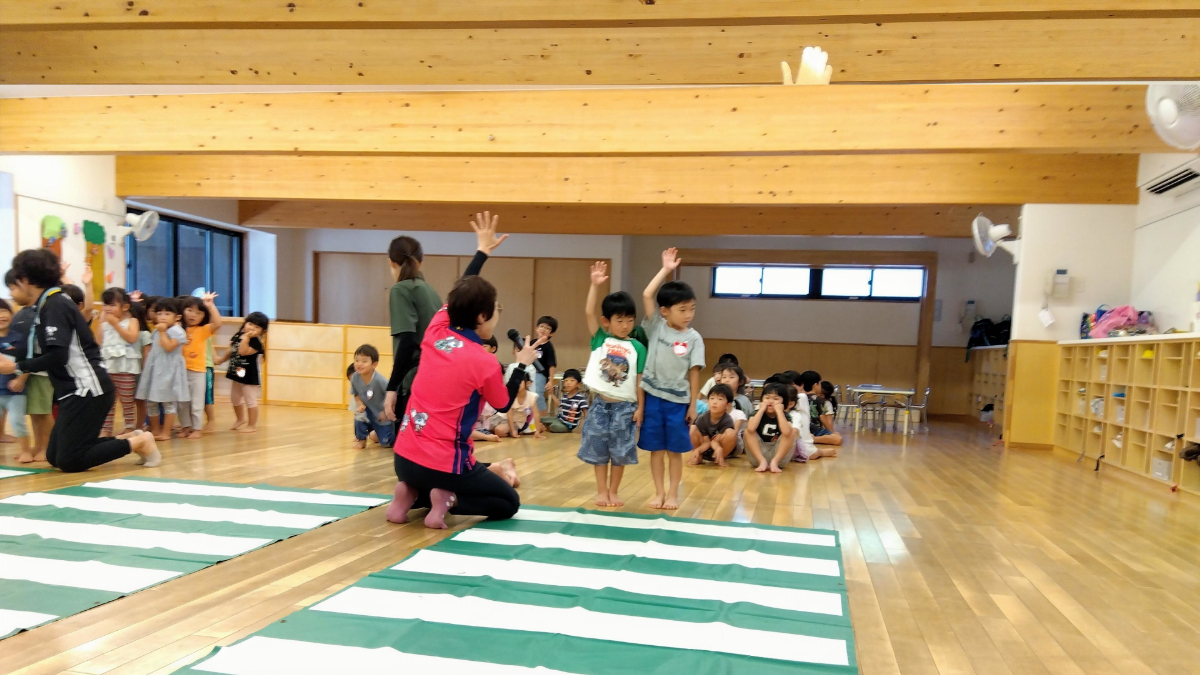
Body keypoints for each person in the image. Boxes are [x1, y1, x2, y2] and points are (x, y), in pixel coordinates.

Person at [386, 273, 546, 529]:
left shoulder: (435, 332)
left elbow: (454, 300)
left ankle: (410, 493)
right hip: (444, 466)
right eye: (495, 310)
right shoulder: (484, 362)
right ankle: (448, 499)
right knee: (508, 502)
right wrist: (521, 365)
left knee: (437, 476)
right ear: (482, 316)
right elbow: (503, 403)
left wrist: (481, 255)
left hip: (403, 461)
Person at [0, 249, 160, 471]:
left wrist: (17, 367)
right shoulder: (47, 304)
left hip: (87, 390)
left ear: (25, 280)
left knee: (70, 460)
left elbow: (58, 356)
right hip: (74, 390)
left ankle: (139, 442)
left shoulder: (55, 305)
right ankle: (132, 437)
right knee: (55, 456)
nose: (12, 291)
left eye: (13, 285)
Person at [383, 212, 508, 424]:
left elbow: (407, 342)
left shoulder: (400, 290)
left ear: (391, 263)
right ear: (421, 262)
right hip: (433, 379)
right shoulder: (429, 290)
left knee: (408, 440)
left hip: (413, 381)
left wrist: (391, 388)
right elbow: (462, 291)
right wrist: (481, 253)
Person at [640, 248, 705, 510]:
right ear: (665, 311)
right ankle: (659, 492)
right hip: (653, 398)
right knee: (656, 450)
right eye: (682, 309)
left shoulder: (694, 338)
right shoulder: (656, 326)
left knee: (674, 451)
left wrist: (693, 405)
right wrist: (666, 270)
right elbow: (647, 294)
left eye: (692, 309)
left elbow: (694, 372)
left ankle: (674, 493)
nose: (688, 314)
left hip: (678, 402)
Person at [578, 262, 646, 507]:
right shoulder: (601, 339)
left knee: (620, 452)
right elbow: (588, 312)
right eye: (620, 320)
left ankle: (614, 490)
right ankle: (602, 490)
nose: (626, 325)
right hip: (600, 405)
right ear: (607, 321)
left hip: (625, 407)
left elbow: (639, 380)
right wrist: (595, 285)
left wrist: (640, 408)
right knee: (598, 450)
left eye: (630, 320)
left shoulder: (638, 347)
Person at [136, 296, 190, 441]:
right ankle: (156, 429)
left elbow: (168, 347)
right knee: (151, 401)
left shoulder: (177, 331)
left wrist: (162, 332)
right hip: (155, 370)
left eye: (167, 313)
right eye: (159, 313)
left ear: (177, 317)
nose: (162, 317)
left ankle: (166, 432)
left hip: (169, 371)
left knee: (168, 402)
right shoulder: (156, 331)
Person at [99, 288, 150, 437]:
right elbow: (98, 342)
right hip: (108, 366)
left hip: (125, 368)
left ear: (125, 307)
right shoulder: (104, 324)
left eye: (112, 305)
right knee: (107, 400)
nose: (108, 308)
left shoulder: (132, 321)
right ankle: (106, 428)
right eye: (105, 305)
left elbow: (132, 338)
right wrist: (102, 321)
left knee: (127, 400)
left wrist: (116, 325)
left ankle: (129, 426)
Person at [179, 294, 223, 439]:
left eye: (198, 313)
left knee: (197, 401)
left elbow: (218, 323)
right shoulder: (178, 329)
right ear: (183, 311)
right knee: (182, 402)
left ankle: (197, 428)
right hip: (180, 371)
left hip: (197, 371)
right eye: (190, 310)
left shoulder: (203, 330)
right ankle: (186, 427)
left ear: (204, 316)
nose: (193, 315)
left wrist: (210, 306)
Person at [218, 312, 268, 433]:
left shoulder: (256, 342)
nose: (252, 328)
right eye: (250, 324)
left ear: (262, 331)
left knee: (250, 401)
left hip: (249, 377)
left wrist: (246, 338)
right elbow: (232, 349)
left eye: (257, 327)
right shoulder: (238, 335)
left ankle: (252, 425)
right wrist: (221, 359)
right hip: (237, 374)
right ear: (245, 323)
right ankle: (240, 419)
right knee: (235, 398)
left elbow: (242, 351)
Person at [0, 299, 32, 462]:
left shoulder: (19, 338)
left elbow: (28, 362)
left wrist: (21, 379)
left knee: (17, 421)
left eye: (3, 311)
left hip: (15, 392)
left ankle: (26, 451)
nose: (1, 316)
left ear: (12, 314)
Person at [744, 380, 796, 473]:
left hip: (779, 457)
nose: (770, 401)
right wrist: (761, 410)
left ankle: (774, 462)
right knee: (747, 431)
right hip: (758, 456)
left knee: (791, 432)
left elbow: (787, 432)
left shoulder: (785, 415)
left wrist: (779, 412)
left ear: (783, 402)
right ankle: (762, 461)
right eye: (767, 398)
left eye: (776, 399)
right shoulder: (756, 413)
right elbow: (750, 429)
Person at [349, 344, 395, 449]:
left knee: (387, 443)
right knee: (359, 414)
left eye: (364, 361)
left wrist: (385, 411)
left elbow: (391, 395)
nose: (359, 364)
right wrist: (360, 404)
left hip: (381, 415)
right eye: (357, 360)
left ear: (374, 364)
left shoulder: (380, 380)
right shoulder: (355, 377)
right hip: (368, 412)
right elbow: (356, 394)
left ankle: (379, 433)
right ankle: (361, 440)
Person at [689, 383, 738, 467]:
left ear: (728, 405)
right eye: (712, 398)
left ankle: (720, 458)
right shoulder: (702, 418)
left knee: (731, 433)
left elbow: (715, 441)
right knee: (692, 428)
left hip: (719, 448)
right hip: (704, 447)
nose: (714, 402)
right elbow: (707, 442)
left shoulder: (727, 420)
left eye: (720, 399)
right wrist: (698, 450)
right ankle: (698, 456)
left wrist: (718, 448)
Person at [492, 371, 542, 439]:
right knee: (482, 426)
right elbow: (509, 414)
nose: (517, 385)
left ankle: (496, 432)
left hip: (515, 422)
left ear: (528, 383)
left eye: (520, 382)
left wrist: (538, 431)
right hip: (500, 416)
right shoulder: (511, 395)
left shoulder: (532, 397)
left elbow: (536, 414)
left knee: (499, 430)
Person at [799, 369, 843, 446]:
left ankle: (808, 437)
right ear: (815, 385)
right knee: (838, 438)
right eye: (819, 383)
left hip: (802, 428)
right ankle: (812, 439)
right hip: (815, 430)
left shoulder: (800, 397)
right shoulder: (818, 399)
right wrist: (832, 432)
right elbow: (822, 418)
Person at [542, 368, 587, 433]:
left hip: (569, 425)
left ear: (578, 384)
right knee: (541, 419)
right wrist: (552, 394)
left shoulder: (579, 398)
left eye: (572, 380)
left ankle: (546, 427)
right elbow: (559, 404)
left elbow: (585, 411)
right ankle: (545, 426)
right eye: (566, 380)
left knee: (554, 426)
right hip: (560, 419)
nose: (568, 383)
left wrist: (587, 425)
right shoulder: (566, 395)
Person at [532, 315, 558, 413]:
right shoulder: (531, 343)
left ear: (552, 333)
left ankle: (542, 418)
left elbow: (552, 364)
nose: (543, 329)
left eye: (548, 328)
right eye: (541, 326)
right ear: (537, 328)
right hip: (528, 373)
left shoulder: (548, 347)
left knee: (537, 395)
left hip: (540, 374)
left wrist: (550, 380)